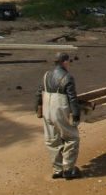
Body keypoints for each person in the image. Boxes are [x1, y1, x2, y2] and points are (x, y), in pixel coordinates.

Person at [35, 52, 82, 180]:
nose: (69, 64)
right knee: (72, 138)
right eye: (69, 62)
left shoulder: (46, 75)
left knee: (52, 140)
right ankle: (68, 169)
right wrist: (76, 115)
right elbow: (72, 98)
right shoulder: (67, 77)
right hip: (59, 110)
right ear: (65, 62)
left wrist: (38, 108)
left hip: (47, 110)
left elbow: (39, 93)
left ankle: (57, 170)